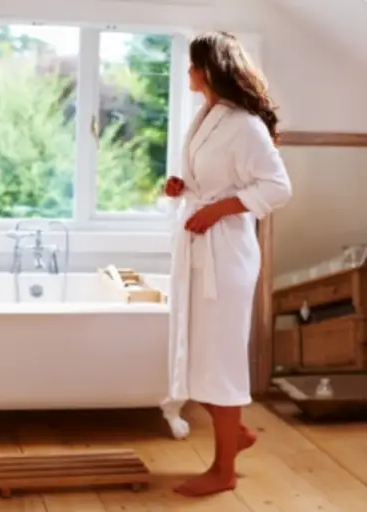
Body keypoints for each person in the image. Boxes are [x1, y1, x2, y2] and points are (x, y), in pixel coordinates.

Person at [162, 31, 292, 497]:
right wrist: (182, 187)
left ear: (210, 70)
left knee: (221, 357)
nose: (188, 71)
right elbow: (214, 177)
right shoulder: (206, 116)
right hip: (199, 248)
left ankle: (223, 470)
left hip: (227, 254)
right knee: (198, 352)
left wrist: (218, 209)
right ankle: (234, 434)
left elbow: (277, 188)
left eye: (193, 64)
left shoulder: (245, 124)